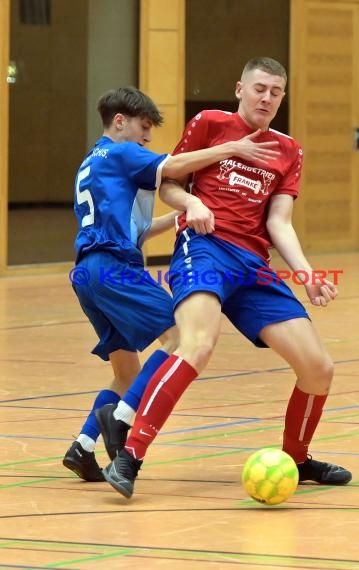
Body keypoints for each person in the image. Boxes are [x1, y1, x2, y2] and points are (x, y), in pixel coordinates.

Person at [98, 58, 352, 499]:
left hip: (253, 265)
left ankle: (297, 458)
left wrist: (306, 274)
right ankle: (130, 455)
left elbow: (280, 223)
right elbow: (170, 182)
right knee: (197, 344)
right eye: (259, 88)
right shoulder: (210, 124)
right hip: (206, 248)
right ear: (240, 89)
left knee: (318, 369)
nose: (266, 97)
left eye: (275, 91)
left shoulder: (289, 150)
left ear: (282, 98)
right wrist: (189, 206)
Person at [62, 85, 280, 481]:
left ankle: (82, 446)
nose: (147, 138)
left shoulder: (92, 162)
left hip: (86, 272)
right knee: (180, 339)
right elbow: (177, 167)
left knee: (126, 370)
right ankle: (122, 418)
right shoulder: (123, 152)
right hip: (115, 268)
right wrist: (231, 150)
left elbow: (140, 231)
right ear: (119, 122)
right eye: (144, 128)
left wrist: (186, 217)